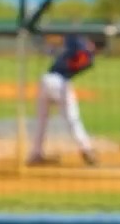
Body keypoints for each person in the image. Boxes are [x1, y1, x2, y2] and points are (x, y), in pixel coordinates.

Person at [28, 33, 100, 166]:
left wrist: (45, 39)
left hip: (46, 80)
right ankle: (86, 150)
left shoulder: (80, 41)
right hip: (61, 83)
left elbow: (65, 38)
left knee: (41, 121)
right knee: (73, 119)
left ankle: (35, 154)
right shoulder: (90, 61)